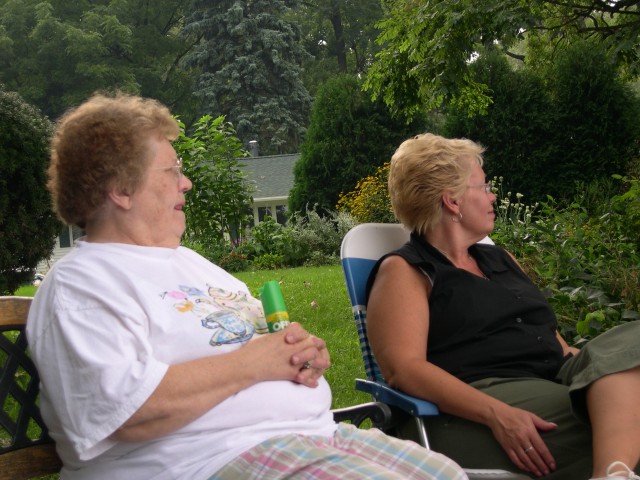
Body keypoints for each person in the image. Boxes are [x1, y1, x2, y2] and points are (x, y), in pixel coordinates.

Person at [25, 94, 467, 480]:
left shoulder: (191, 264)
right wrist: (256, 363)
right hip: (197, 463)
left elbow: (262, 346)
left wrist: (299, 355)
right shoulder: (81, 285)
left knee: (447, 473)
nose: (186, 182)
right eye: (172, 171)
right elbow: (124, 413)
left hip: (309, 439)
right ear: (121, 188)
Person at [366, 133, 640, 480]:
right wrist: (497, 414)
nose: (493, 196)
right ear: (452, 200)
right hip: (478, 402)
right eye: (484, 186)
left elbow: (548, 335)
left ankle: (610, 472)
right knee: (620, 426)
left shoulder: (500, 259)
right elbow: (404, 371)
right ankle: (614, 468)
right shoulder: (407, 271)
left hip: (553, 379)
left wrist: (597, 368)